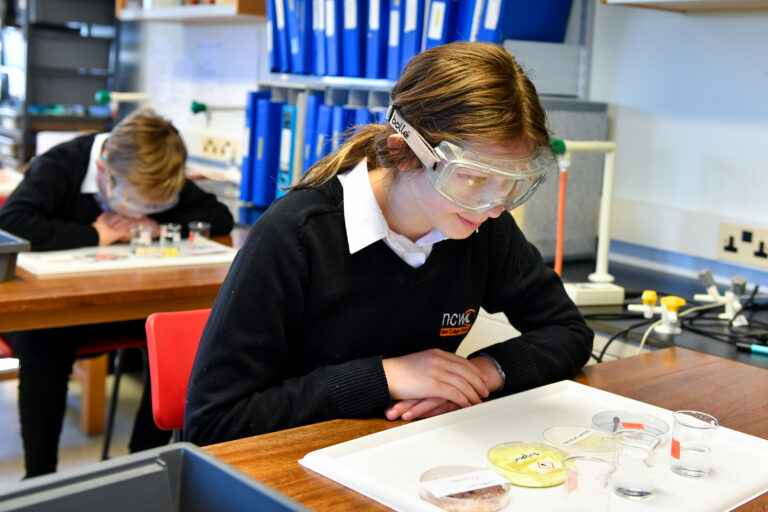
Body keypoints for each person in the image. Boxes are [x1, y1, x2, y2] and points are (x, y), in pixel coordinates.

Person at [184, 42, 592, 446]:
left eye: (511, 183)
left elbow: (568, 330)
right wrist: (386, 378)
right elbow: (214, 422)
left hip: (403, 453)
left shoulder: (480, 226)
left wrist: (481, 374)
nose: (495, 207)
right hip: (292, 468)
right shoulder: (296, 234)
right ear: (404, 151)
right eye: (472, 177)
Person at [0, 108, 234, 477]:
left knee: (172, 335)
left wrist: (158, 224)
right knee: (43, 341)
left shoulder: (156, 167)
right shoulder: (61, 164)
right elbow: (11, 223)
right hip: (52, 310)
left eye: (153, 202)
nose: (139, 207)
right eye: (134, 198)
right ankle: (40, 477)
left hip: (125, 303)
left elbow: (219, 215)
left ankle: (143, 465)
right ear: (106, 166)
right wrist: (95, 235)